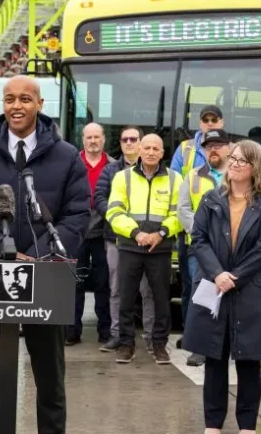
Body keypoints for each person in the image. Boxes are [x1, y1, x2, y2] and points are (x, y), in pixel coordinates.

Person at [0, 75, 89, 434]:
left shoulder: (67, 156)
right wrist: (3, 250)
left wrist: (40, 257)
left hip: (48, 279)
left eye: (25, 99)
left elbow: (77, 216)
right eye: (10, 99)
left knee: (50, 379)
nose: (17, 106)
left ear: (40, 104)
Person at [184, 139, 261, 434]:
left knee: (249, 360)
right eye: (233, 159)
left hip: (251, 289)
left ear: (255, 168)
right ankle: (213, 425)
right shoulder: (211, 199)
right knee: (214, 357)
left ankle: (247, 426)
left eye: (242, 161)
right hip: (215, 285)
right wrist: (217, 273)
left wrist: (234, 276)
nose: (234, 164)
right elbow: (198, 239)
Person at [106, 133, 182, 365]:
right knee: (126, 298)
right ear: (139, 150)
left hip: (159, 249)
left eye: (155, 149)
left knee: (161, 299)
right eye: (146, 147)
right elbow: (114, 212)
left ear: (162, 153)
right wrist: (136, 233)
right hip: (130, 247)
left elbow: (179, 213)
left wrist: (160, 234)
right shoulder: (122, 178)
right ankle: (126, 344)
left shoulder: (175, 179)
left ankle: (159, 344)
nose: (150, 152)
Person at [94, 125, 155, 353]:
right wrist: (118, 220)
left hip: (146, 241)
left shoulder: (154, 170)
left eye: (133, 139)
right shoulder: (110, 171)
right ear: (120, 144)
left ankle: (151, 338)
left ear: (140, 142)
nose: (129, 143)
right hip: (116, 238)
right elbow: (99, 199)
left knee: (147, 291)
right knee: (117, 289)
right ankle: (118, 335)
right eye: (124, 140)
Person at [170, 105, 225, 348]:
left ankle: (219, 337)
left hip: (227, 242)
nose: (210, 123)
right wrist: (199, 233)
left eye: (214, 120)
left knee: (221, 290)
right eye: (206, 120)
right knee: (194, 289)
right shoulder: (186, 151)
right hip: (194, 240)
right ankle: (194, 337)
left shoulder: (236, 169)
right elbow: (180, 200)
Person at [178, 129, 232, 367]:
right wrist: (202, 235)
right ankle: (200, 348)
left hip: (233, 247)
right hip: (201, 248)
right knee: (201, 296)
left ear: (228, 148)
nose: (213, 149)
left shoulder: (239, 175)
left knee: (232, 296)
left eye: (218, 145)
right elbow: (183, 209)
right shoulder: (192, 176)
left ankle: (229, 343)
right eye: (209, 146)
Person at [66, 122, 113, 346]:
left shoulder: (114, 166)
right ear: (83, 140)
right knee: (75, 282)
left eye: (97, 137)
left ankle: (105, 331)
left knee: (105, 283)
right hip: (77, 232)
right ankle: (72, 331)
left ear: (103, 139)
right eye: (89, 137)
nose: (93, 141)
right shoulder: (72, 163)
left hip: (105, 232)